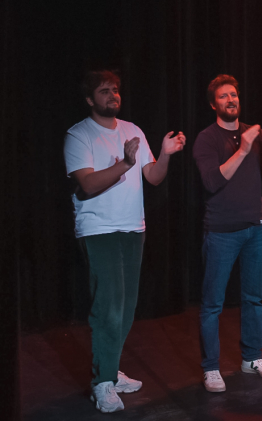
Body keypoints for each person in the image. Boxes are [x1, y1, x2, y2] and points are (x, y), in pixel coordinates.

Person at [64, 70, 185, 412]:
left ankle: (111, 371)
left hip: (133, 227)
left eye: (115, 90)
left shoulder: (133, 130)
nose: (112, 95)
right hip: (98, 229)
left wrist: (165, 154)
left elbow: (153, 177)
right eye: (104, 91)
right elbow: (87, 185)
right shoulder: (79, 135)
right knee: (109, 307)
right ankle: (102, 383)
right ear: (90, 100)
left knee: (127, 308)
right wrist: (125, 164)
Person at [192, 74, 262, 392]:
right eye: (223, 97)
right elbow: (213, 182)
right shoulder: (206, 139)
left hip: (256, 228)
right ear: (213, 104)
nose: (231, 100)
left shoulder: (251, 134)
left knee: (253, 298)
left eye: (234, 95)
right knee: (213, 304)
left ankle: (252, 358)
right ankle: (211, 368)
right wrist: (244, 150)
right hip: (221, 232)